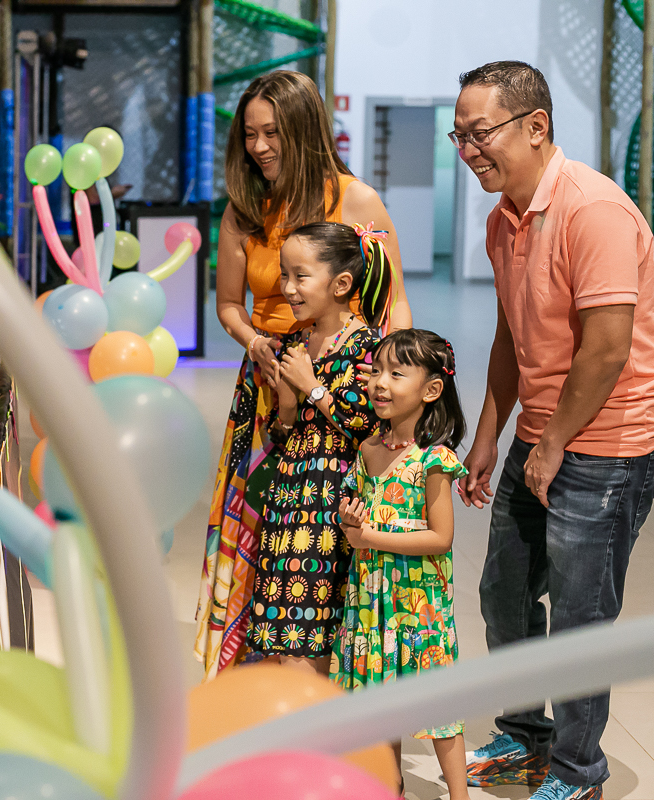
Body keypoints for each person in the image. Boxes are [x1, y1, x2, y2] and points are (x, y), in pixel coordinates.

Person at [452, 61, 654, 800]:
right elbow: (514, 336)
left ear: (536, 126)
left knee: (581, 614)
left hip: (613, 440)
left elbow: (607, 349)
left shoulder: (593, 211)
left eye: (479, 133)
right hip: (546, 429)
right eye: (460, 136)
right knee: (504, 593)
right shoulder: (502, 219)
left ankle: (580, 775)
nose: (468, 149)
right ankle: (524, 737)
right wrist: (491, 432)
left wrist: (550, 448)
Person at [195, 69, 412, 680]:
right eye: (249, 135)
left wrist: (392, 396)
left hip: (344, 391)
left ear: (305, 131)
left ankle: (345, 682)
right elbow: (229, 307)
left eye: (272, 133)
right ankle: (256, 683)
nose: (258, 147)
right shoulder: (244, 211)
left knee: (337, 532)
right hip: (265, 391)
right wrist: (257, 343)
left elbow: (393, 303)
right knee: (264, 532)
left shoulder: (358, 201)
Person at [248, 221, 392, 674]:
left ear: (341, 283)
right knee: (286, 625)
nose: (287, 288)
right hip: (292, 496)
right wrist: (287, 405)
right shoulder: (294, 343)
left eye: (299, 276)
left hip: (336, 502)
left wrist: (312, 389)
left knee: (322, 627)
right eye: (284, 275)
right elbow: (283, 433)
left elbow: (369, 430)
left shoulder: (371, 347)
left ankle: (321, 738)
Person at [334, 328, 469, 800]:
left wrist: (367, 534)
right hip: (371, 600)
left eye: (397, 373)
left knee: (436, 705)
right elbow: (358, 523)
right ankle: (389, 786)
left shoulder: (434, 459)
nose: (380, 383)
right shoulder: (368, 450)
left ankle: (459, 794)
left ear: (432, 390)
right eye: (376, 371)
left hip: (419, 607)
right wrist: (350, 523)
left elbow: (441, 537)